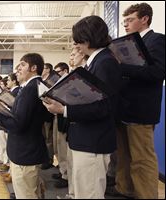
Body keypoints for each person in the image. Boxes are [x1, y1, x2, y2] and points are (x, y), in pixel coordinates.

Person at [43, 15, 121, 198]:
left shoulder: (105, 62)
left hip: (93, 141)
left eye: (79, 40)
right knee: (81, 191)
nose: (76, 45)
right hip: (84, 139)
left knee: (89, 193)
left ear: (89, 38)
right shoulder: (96, 62)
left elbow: (104, 107)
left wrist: (64, 110)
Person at [108, 3, 165, 199]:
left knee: (142, 159)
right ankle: (124, 189)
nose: (125, 24)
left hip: (141, 110)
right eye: (124, 21)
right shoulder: (127, 43)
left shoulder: (156, 40)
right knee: (124, 156)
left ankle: (147, 195)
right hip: (124, 108)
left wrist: (122, 67)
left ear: (145, 19)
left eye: (130, 20)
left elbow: (158, 72)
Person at [0, 53, 49, 199]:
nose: (17, 69)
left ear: (33, 68)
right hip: (26, 150)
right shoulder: (32, 87)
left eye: (22, 65)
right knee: (31, 191)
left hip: (25, 153)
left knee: (26, 194)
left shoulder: (30, 89)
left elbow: (18, 124)